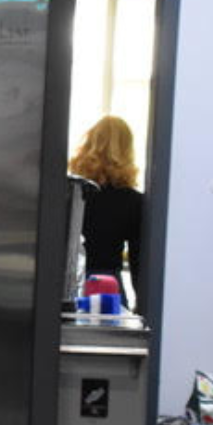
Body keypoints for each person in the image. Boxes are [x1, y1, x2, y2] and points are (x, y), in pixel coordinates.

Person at [69, 115, 146, 314]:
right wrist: (142, 306)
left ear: (88, 144)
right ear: (128, 151)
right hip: (109, 289)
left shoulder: (72, 193)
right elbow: (139, 263)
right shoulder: (134, 201)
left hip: (69, 285)